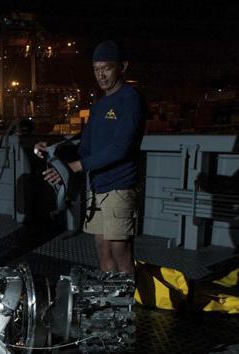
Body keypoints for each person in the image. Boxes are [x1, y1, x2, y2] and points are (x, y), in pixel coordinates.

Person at [34, 40, 144, 274]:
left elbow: (119, 149)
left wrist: (72, 168)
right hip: (97, 187)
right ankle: (109, 301)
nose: (101, 75)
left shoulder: (130, 99)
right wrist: (53, 149)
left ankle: (128, 307)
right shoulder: (100, 105)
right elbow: (85, 145)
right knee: (103, 250)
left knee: (120, 251)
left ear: (122, 67)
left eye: (106, 68)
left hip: (120, 187)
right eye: (96, 69)